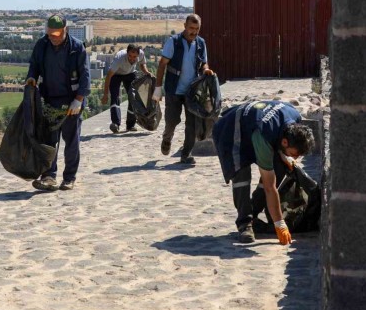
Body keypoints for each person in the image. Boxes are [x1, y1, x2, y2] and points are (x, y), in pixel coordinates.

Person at [212, 100, 315, 245]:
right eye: (294, 153)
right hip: (230, 131)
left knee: (280, 168)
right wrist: (279, 223)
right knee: (242, 176)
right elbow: (269, 187)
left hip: (252, 126)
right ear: (285, 142)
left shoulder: (295, 118)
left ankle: (253, 211)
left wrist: (286, 157)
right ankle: (244, 224)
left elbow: (280, 141)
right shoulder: (264, 135)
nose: (295, 158)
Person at [25, 14, 90, 192]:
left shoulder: (77, 48)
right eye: (50, 34)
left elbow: (85, 76)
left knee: (71, 142)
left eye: (57, 35)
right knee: (48, 141)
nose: (53, 38)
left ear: (65, 30)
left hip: (71, 102)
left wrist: (78, 100)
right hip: (49, 101)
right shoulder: (42, 45)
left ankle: (69, 178)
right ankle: (48, 176)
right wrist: (31, 77)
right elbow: (34, 65)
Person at [152, 14, 214, 165]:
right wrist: (158, 88)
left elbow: (204, 63)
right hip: (174, 89)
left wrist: (206, 70)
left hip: (192, 91)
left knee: (191, 124)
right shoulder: (174, 42)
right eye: (191, 28)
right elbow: (162, 64)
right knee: (172, 121)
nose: (193, 32)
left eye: (197, 29)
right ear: (185, 26)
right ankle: (167, 138)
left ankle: (186, 154)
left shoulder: (200, 43)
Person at [101, 44, 152, 133]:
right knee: (115, 97)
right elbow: (109, 76)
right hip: (115, 75)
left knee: (133, 97)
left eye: (134, 57)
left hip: (130, 74)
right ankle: (115, 124)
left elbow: (142, 65)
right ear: (127, 53)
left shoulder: (141, 54)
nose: (132, 59)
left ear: (138, 54)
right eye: (130, 56)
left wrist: (147, 72)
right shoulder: (119, 58)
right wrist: (105, 94)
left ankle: (130, 125)